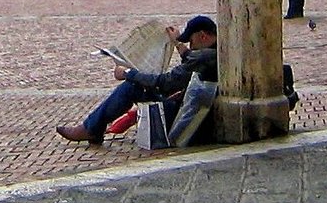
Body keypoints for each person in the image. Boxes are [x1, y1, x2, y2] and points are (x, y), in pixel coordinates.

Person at [57, 16, 218, 145]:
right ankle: (92, 128)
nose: (190, 46)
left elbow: (166, 83)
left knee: (132, 87)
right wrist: (177, 43)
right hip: (186, 106)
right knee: (137, 84)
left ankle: (91, 129)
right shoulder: (213, 52)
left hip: (183, 116)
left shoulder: (204, 57)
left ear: (203, 36)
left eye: (191, 41)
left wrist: (128, 73)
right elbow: (190, 58)